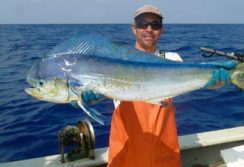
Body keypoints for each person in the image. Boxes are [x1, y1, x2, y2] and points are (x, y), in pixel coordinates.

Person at [78, 4, 235, 167]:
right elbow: (101, 93)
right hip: (126, 156)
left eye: (155, 25)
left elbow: (197, 80)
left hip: (164, 156)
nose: (148, 28)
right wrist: (88, 97)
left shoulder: (173, 60)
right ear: (134, 29)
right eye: (142, 23)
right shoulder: (117, 62)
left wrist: (215, 79)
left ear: (162, 30)